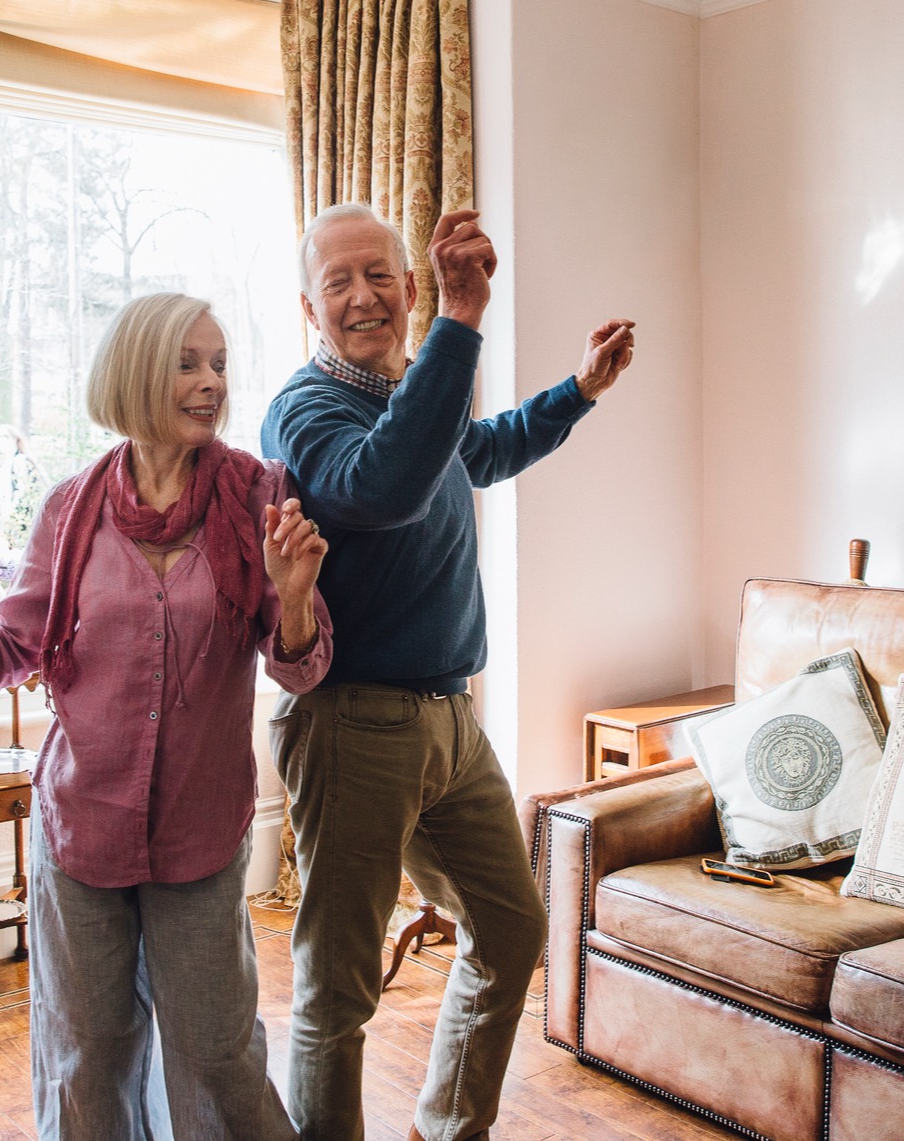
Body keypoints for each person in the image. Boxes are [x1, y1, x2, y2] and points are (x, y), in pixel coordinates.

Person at [0, 292, 332, 1141]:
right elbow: (5, 655)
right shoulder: (72, 509)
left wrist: (293, 598)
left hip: (200, 834)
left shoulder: (257, 494)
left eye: (218, 365)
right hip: (80, 827)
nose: (211, 382)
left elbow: (304, 666)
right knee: (86, 1059)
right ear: (136, 372)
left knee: (216, 1056)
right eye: (188, 364)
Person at [260, 203, 635, 1141]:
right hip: (352, 724)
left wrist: (579, 390)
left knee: (510, 930)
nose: (361, 296)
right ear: (309, 308)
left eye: (378, 275)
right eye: (337, 281)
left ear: (409, 287)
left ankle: (445, 1129)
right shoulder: (303, 410)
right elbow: (378, 488)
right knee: (337, 990)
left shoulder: (412, 400)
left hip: (452, 724)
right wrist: (461, 328)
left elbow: (487, 448)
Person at [0, 423, 47, 546]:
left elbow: (25, 491)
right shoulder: (4, 464)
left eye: (5, 437)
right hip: (8, 516)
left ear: (15, 439)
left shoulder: (21, 461)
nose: (1, 441)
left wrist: (13, 514)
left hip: (21, 519)